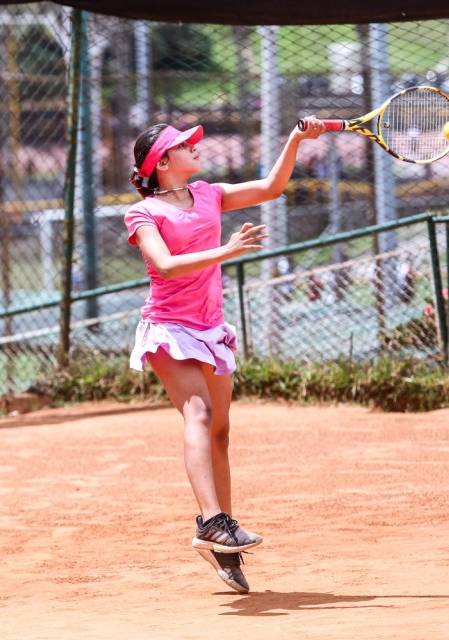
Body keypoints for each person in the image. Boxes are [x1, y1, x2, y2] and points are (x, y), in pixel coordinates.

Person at [124, 118, 326, 594]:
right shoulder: (144, 214)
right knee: (199, 413)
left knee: (220, 433)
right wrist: (225, 250)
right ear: (163, 163)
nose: (196, 148)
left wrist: (295, 138)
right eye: (184, 146)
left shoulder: (210, 194)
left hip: (210, 327)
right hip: (169, 329)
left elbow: (273, 187)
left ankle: (223, 541)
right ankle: (212, 521)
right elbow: (167, 266)